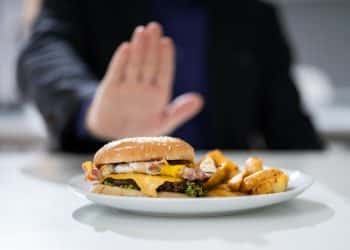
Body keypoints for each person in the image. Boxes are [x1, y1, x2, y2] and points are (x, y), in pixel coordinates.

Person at [17, 0, 323, 152]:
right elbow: (40, 57)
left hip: (222, 209)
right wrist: (91, 109)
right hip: (102, 205)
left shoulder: (253, 15)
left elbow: (290, 128)